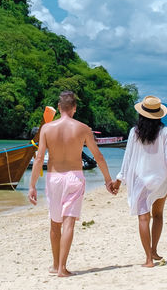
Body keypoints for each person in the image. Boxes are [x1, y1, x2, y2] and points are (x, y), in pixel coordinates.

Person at [27, 90, 116, 277]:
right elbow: (98, 156)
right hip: (75, 177)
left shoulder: (47, 129)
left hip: (54, 178)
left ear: (59, 108)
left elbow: (39, 158)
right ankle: (62, 268)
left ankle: (54, 265)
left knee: (55, 223)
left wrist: (32, 185)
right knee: (68, 223)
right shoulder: (83, 129)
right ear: (74, 108)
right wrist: (108, 179)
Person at [112, 95, 167, 267]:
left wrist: (119, 179)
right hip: (160, 180)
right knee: (158, 215)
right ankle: (154, 250)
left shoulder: (134, 132)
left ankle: (148, 259)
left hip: (140, 180)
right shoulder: (166, 131)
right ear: (159, 114)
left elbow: (127, 158)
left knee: (144, 219)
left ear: (142, 114)